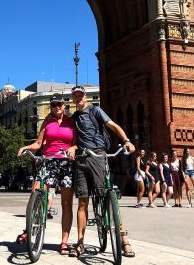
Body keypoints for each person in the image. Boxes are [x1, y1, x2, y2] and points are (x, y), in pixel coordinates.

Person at [66, 85, 136, 258]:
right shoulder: (74, 117)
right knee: (83, 202)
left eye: (80, 95)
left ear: (86, 97)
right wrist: (73, 147)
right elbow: (75, 139)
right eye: (75, 96)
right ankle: (80, 243)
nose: (78, 98)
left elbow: (112, 125)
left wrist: (127, 140)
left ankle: (123, 238)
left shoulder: (95, 110)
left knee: (107, 196)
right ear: (73, 99)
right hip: (81, 159)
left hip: (98, 156)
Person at [16, 93, 74, 255]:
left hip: (66, 163)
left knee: (66, 204)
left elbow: (75, 144)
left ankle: (64, 242)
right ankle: (29, 228)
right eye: (54, 104)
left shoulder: (71, 123)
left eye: (60, 104)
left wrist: (73, 148)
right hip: (48, 161)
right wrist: (25, 148)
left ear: (64, 106)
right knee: (36, 191)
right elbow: (38, 143)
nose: (57, 107)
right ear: (51, 107)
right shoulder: (47, 123)